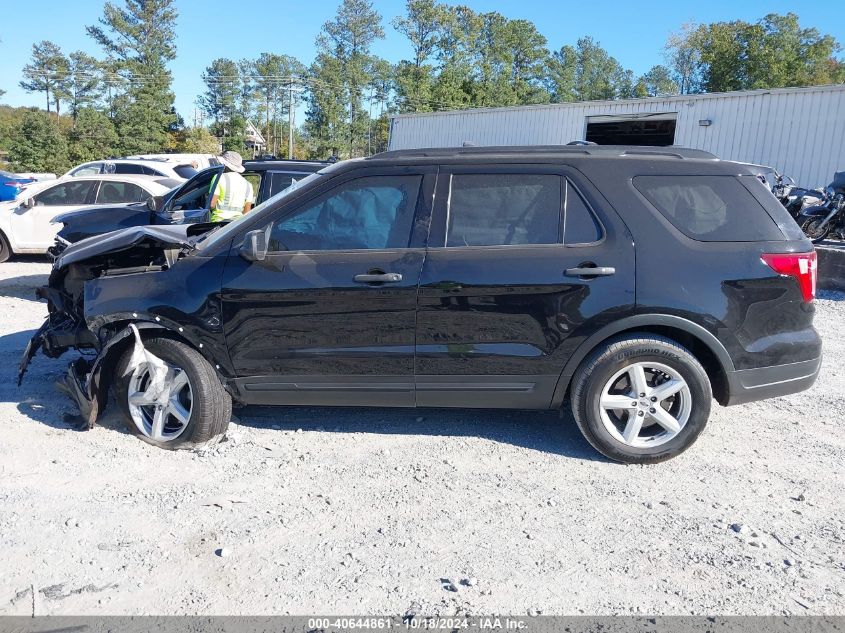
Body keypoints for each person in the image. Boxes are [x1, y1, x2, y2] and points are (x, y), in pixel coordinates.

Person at [209, 151, 255, 222]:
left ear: (225, 164)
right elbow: (247, 212)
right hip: (235, 226)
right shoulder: (248, 184)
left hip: (218, 223)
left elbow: (211, 204)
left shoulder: (219, 178)